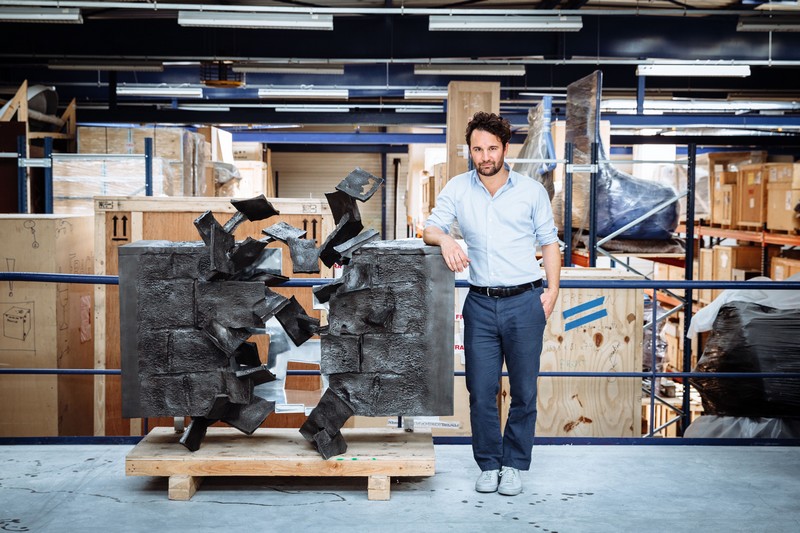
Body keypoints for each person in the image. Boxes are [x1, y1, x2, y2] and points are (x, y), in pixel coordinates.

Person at [423, 111, 561, 497]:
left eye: (492, 148)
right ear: (469, 150)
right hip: (480, 305)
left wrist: (552, 291)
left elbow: (550, 243)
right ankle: (489, 464)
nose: (485, 156)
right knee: (481, 391)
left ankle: (514, 464)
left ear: (505, 149)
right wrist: (447, 241)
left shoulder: (531, 192)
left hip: (524, 301)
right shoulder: (457, 188)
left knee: (524, 391)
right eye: (477, 149)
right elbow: (429, 228)